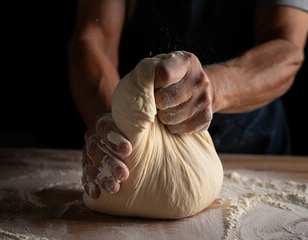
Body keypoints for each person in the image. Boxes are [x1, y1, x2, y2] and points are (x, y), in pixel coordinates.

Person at [68, 0, 308, 199]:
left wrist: (214, 88)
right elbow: (94, 38)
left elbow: (285, 47)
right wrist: (115, 128)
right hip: (137, 129)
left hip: (254, 146)